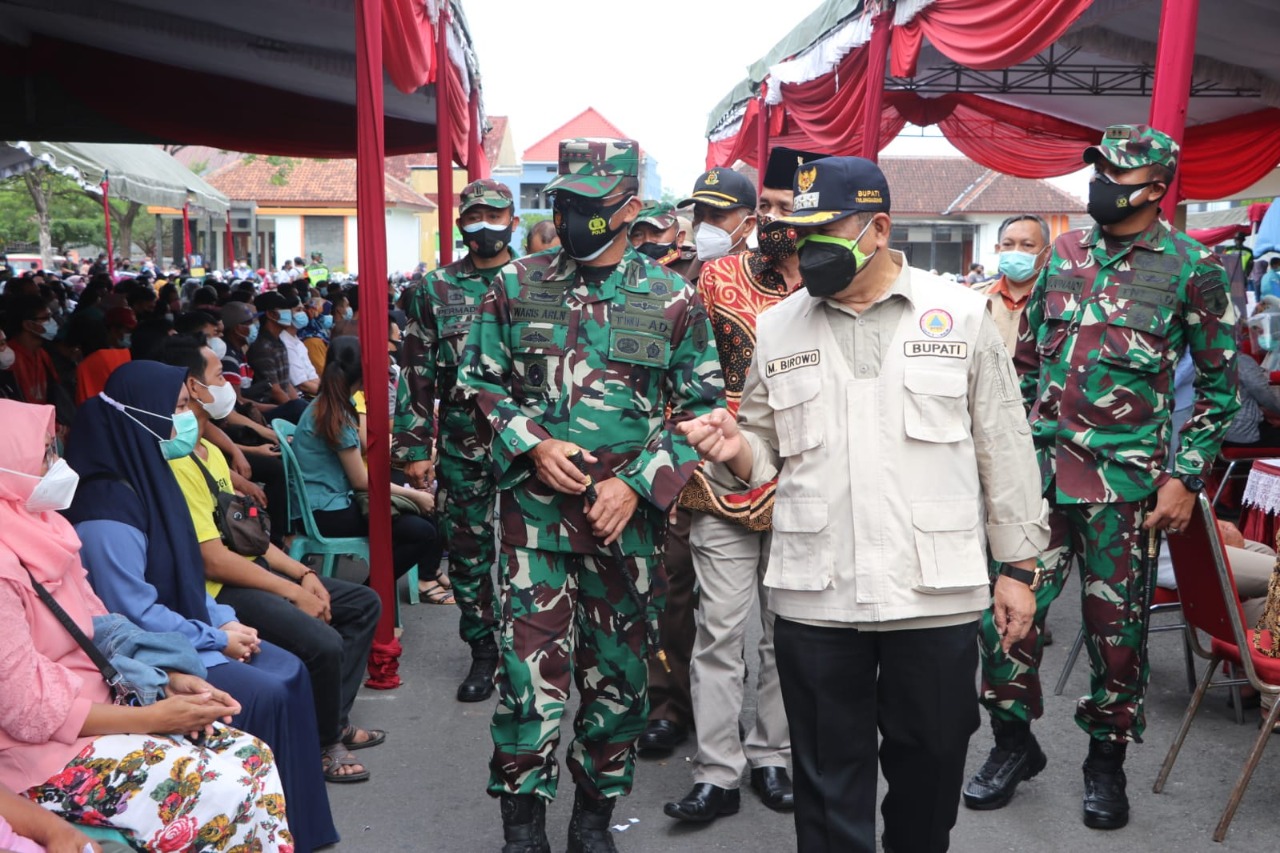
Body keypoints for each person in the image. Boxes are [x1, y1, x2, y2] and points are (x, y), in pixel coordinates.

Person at [678, 155, 1048, 853]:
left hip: (932, 592)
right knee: (824, 783)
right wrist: (734, 449)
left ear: (877, 228)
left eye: (826, 230)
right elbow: (762, 446)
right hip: (816, 594)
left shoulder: (960, 314)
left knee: (932, 768)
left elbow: (1005, 445)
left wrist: (1019, 569)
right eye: (799, 229)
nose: (806, 246)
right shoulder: (781, 326)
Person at [966, 124, 1240, 830]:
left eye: (1116, 176)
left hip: (1125, 490)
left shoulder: (1191, 268)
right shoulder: (1061, 254)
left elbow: (1219, 389)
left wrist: (1186, 475)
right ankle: (1014, 744)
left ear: (1155, 189)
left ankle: (1104, 764)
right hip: (1040, 480)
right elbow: (1022, 366)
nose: (1100, 186)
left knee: (1115, 640)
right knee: (1005, 622)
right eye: (1099, 171)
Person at [459, 137, 722, 853]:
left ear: (630, 211)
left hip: (623, 535)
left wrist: (637, 486)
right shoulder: (515, 285)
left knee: (617, 688)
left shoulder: (671, 297)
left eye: (591, 209)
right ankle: (522, 830)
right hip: (534, 529)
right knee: (528, 690)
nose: (574, 220)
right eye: (564, 206)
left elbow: (701, 410)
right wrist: (532, 443)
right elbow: (478, 382)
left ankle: (591, 821)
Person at [62, 362, 338, 852]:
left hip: (189, 627)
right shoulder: (107, 509)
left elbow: (187, 574)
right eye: (180, 408)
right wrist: (216, 637)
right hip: (152, 651)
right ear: (140, 417)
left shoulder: (154, 479)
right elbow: (133, 611)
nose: (189, 418)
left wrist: (225, 620)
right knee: (266, 691)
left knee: (290, 670)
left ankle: (298, 832)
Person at [0, 399, 295, 851]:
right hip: (38, 756)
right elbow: (28, 709)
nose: (58, 462)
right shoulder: (5, 566)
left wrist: (169, 679)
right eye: (43, 453)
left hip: (104, 708)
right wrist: (151, 717)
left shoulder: (45, 529)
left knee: (252, 755)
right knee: (219, 787)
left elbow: (101, 625)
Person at [662, 146, 825, 822]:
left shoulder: (830, 285)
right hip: (723, 476)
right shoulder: (715, 278)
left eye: (791, 210)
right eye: (770, 209)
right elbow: (679, 370)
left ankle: (773, 756)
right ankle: (718, 771)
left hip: (809, 477)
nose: (777, 220)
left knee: (785, 634)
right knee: (719, 631)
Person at [156, 334, 385, 782]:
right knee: (323, 642)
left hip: (249, 567)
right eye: (218, 376)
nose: (228, 384)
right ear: (192, 389)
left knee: (362, 604)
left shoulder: (207, 451)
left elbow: (250, 539)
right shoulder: (178, 461)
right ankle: (324, 745)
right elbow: (215, 562)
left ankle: (331, 721)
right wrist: (293, 592)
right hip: (221, 590)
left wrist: (303, 574)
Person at [393, 179, 519, 702]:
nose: (484, 226)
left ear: (512, 218)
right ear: (460, 221)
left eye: (494, 215)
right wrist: (415, 448)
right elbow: (416, 373)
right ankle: (483, 652)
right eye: (474, 216)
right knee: (467, 552)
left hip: (526, 444)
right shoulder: (436, 288)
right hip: (463, 445)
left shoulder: (537, 282)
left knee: (527, 552)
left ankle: (525, 648)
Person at [293, 337, 442, 584]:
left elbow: (368, 445)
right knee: (422, 531)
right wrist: (415, 496)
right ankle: (368, 595)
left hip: (329, 504)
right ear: (363, 373)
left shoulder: (333, 403)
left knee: (422, 524)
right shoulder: (335, 413)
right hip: (327, 512)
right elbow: (361, 481)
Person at [974, 215, 1051, 353]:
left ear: (1046, 252)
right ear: (998, 248)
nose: (1016, 251)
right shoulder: (976, 296)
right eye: (1008, 244)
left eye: (1027, 245)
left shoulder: (1056, 300)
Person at [246, 291, 308, 423]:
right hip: (272, 409)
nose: (290, 313)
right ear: (271, 314)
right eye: (284, 309)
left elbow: (286, 384)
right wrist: (296, 408)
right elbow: (275, 390)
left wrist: (297, 403)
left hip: (285, 404)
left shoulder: (278, 341)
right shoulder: (263, 347)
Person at [678, 167, 757, 262]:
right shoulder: (675, 273)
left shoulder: (768, 275)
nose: (703, 225)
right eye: (698, 215)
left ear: (747, 225)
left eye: (716, 216)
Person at [3, 295, 59, 409]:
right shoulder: (8, 360)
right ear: (28, 325)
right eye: (46, 318)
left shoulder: (42, 354)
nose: (51, 322)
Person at [74, 307, 136, 404]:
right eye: (128, 330)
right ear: (113, 329)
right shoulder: (104, 356)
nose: (130, 335)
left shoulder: (124, 353)